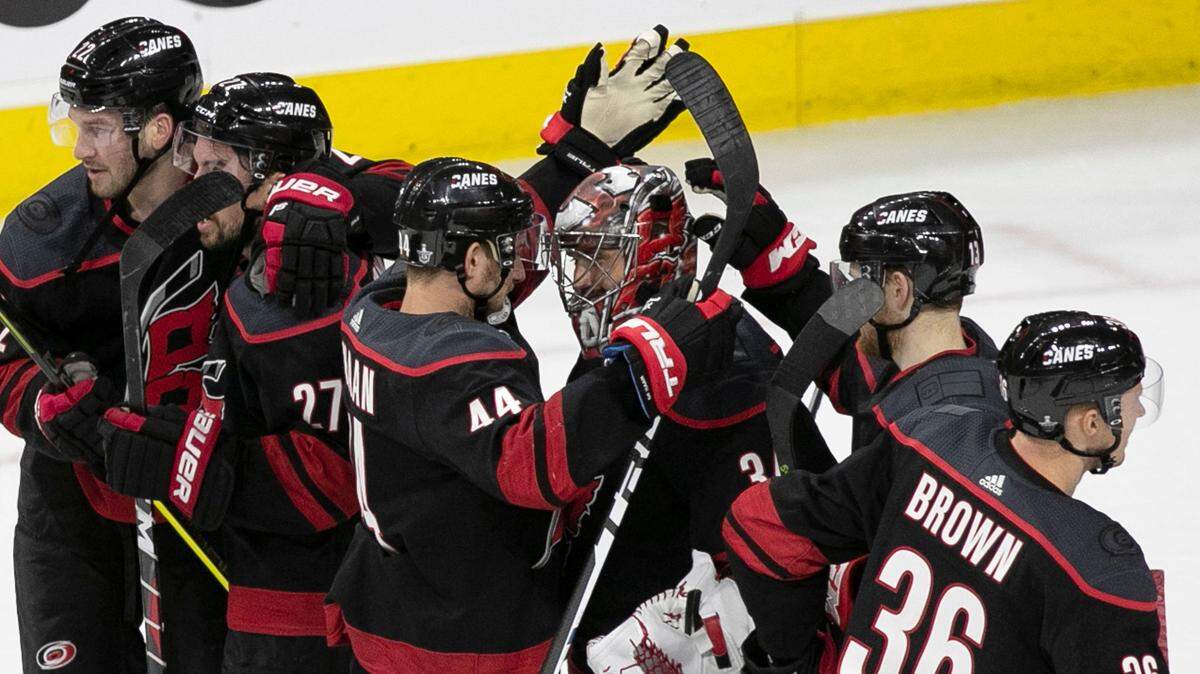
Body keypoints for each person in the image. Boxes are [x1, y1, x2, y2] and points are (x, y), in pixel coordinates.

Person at [328, 156, 741, 672]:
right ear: (474, 262)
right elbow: (533, 463)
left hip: (399, 603)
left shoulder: (375, 313)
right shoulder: (452, 366)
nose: (523, 272)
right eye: (510, 255)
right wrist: (651, 357)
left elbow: (469, 303)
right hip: (460, 643)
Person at [95, 72, 408, 672]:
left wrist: (184, 463)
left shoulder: (306, 288)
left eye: (213, 167)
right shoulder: (234, 252)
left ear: (272, 175)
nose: (191, 184)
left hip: (310, 607)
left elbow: (336, 477)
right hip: (246, 581)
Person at [723, 310, 1168, 673]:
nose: (1140, 409)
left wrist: (793, 661)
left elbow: (760, 523)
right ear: (1091, 422)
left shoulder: (929, 439)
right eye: (1131, 398)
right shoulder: (1093, 568)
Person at [0, 17, 232, 672]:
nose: (78, 148)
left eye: (97, 127)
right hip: (72, 504)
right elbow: (4, 354)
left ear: (157, 130)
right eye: (74, 123)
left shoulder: (233, 208)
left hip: (197, 492)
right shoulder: (42, 240)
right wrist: (41, 408)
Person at [545, 164, 786, 671]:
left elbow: (760, 573)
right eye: (577, 258)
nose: (585, 279)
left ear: (658, 258)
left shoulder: (728, 374)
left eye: (602, 257)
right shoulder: (621, 347)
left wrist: (682, 641)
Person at [685, 165, 997, 468]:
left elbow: (845, 509)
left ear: (899, 290)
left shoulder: (934, 432)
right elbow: (846, 361)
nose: (850, 302)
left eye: (860, 286)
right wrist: (779, 263)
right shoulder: (951, 353)